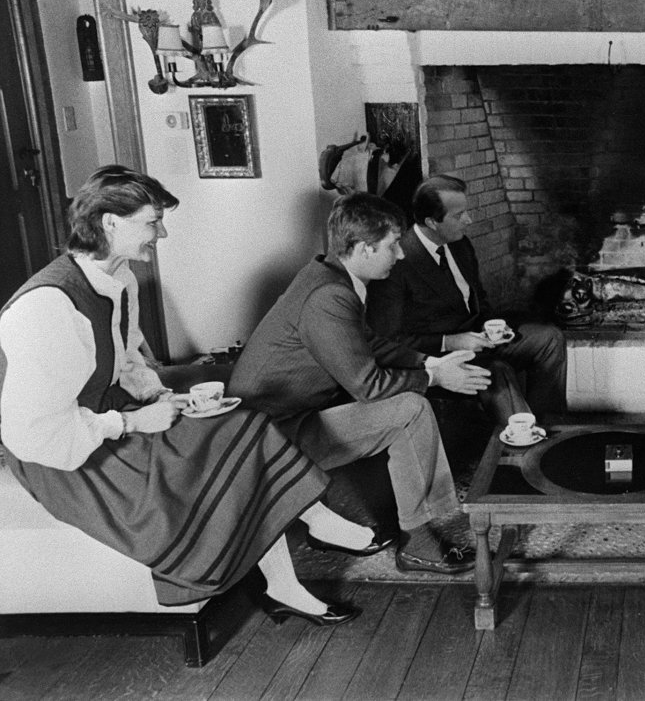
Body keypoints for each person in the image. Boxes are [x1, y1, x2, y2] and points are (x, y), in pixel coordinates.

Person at [0, 165, 364, 625]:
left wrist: (160, 396)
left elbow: (126, 360)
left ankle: (291, 568)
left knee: (243, 421)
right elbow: (34, 435)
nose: (162, 234)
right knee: (226, 444)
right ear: (110, 223)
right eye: (152, 222)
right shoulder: (47, 306)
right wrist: (133, 422)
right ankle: (306, 542)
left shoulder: (121, 279)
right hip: (63, 458)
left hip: (103, 416)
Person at [231, 192, 490, 574]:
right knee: (411, 410)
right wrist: (436, 377)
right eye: (393, 245)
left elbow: (366, 341)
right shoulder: (329, 296)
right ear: (366, 249)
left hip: (283, 420)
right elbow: (367, 386)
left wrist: (430, 361)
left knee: (410, 405)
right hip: (270, 439)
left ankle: (411, 528)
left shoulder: (328, 273)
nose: (400, 255)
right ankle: (418, 544)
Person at [366, 174, 567, 422]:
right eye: (459, 215)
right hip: (441, 355)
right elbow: (390, 340)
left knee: (549, 339)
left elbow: (478, 297)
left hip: (479, 338)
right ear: (432, 222)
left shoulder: (459, 244)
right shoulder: (397, 261)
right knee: (495, 371)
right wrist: (451, 342)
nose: (469, 220)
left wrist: (492, 328)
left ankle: (548, 427)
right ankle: (521, 438)